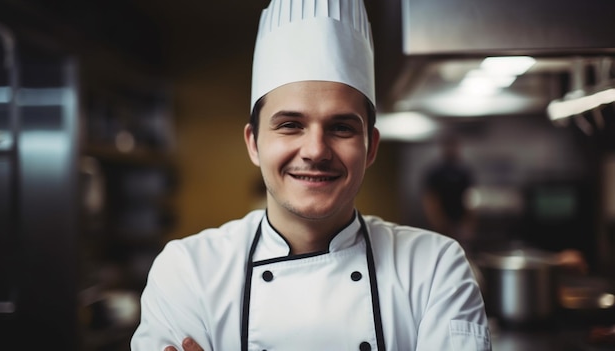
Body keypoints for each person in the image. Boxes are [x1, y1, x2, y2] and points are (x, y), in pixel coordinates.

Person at [131, 0, 491, 350]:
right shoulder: (188, 271)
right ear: (254, 143)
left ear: (371, 147)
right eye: (290, 125)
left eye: (341, 127)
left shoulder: (435, 267)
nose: (316, 150)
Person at [422, 134, 477, 253]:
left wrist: (469, 221)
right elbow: (430, 199)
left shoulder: (463, 172)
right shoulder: (436, 173)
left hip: (459, 220)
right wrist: (438, 221)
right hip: (442, 221)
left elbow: (470, 197)